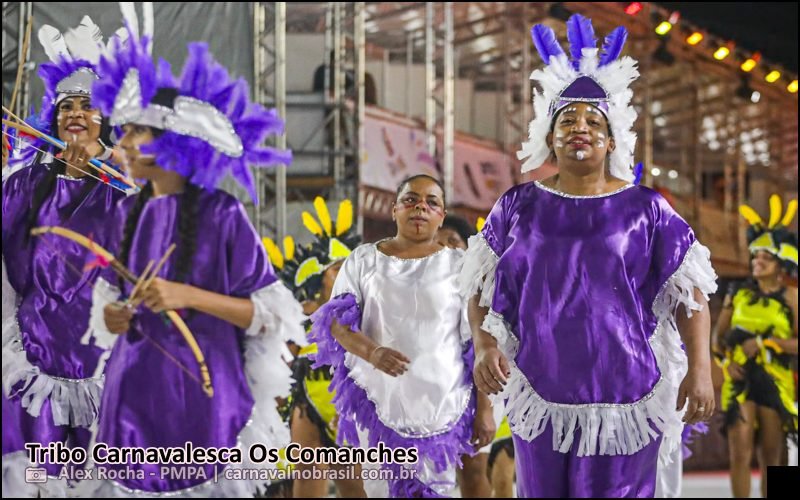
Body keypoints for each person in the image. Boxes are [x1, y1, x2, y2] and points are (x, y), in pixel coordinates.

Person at [459, 14, 718, 497]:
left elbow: (690, 293)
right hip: (540, 389)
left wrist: (700, 369)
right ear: (548, 136)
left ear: (613, 139)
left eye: (593, 121)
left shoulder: (647, 208)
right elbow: (478, 285)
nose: (580, 128)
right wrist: (485, 345)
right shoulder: (518, 205)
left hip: (630, 392)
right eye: (568, 120)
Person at [76, 19, 305, 496]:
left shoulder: (223, 215)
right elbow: (108, 309)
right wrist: (114, 317)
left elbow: (266, 317)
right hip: (130, 405)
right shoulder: (125, 214)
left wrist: (187, 295)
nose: (122, 144)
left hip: (204, 406)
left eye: (136, 131)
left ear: (170, 143)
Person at [1, 16, 127, 496]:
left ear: (105, 119)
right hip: (34, 365)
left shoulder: (127, 193)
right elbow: (26, 267)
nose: (75, 113)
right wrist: (63, 184)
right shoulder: (24, 185)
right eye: (66, 105)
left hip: (108, 370)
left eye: (87, 106)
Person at [310, 174, 495, 497]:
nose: (420, 207)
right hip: (377, 401)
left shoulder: (461, 265)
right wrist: (373, 353)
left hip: (444, 405)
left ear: (441, 216)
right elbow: (337, 323)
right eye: (411, 199)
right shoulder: (363, 260)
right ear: (394, 209)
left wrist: (484, 410)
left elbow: (476, 345)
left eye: (431, 202)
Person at [263, 197, 366, 498]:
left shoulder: (363, 314)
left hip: (349, 407)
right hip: (307, 405)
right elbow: (281, 362)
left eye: (347, 268)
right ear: (319, 278)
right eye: (336, 269)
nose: (343, 275)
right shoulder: (300, 316)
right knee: (306, 485)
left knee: (354, 488)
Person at [713, 196, 798, 498]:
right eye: (755, 256)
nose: (756, 262)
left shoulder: (791, 297)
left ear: (780, 264)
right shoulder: (737, 291)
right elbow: (717, 337)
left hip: (776, 380)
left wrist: (766, 342)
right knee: (739, 451)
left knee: (772, 457)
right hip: (740, 378)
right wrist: (725, 363)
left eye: (765, 257)